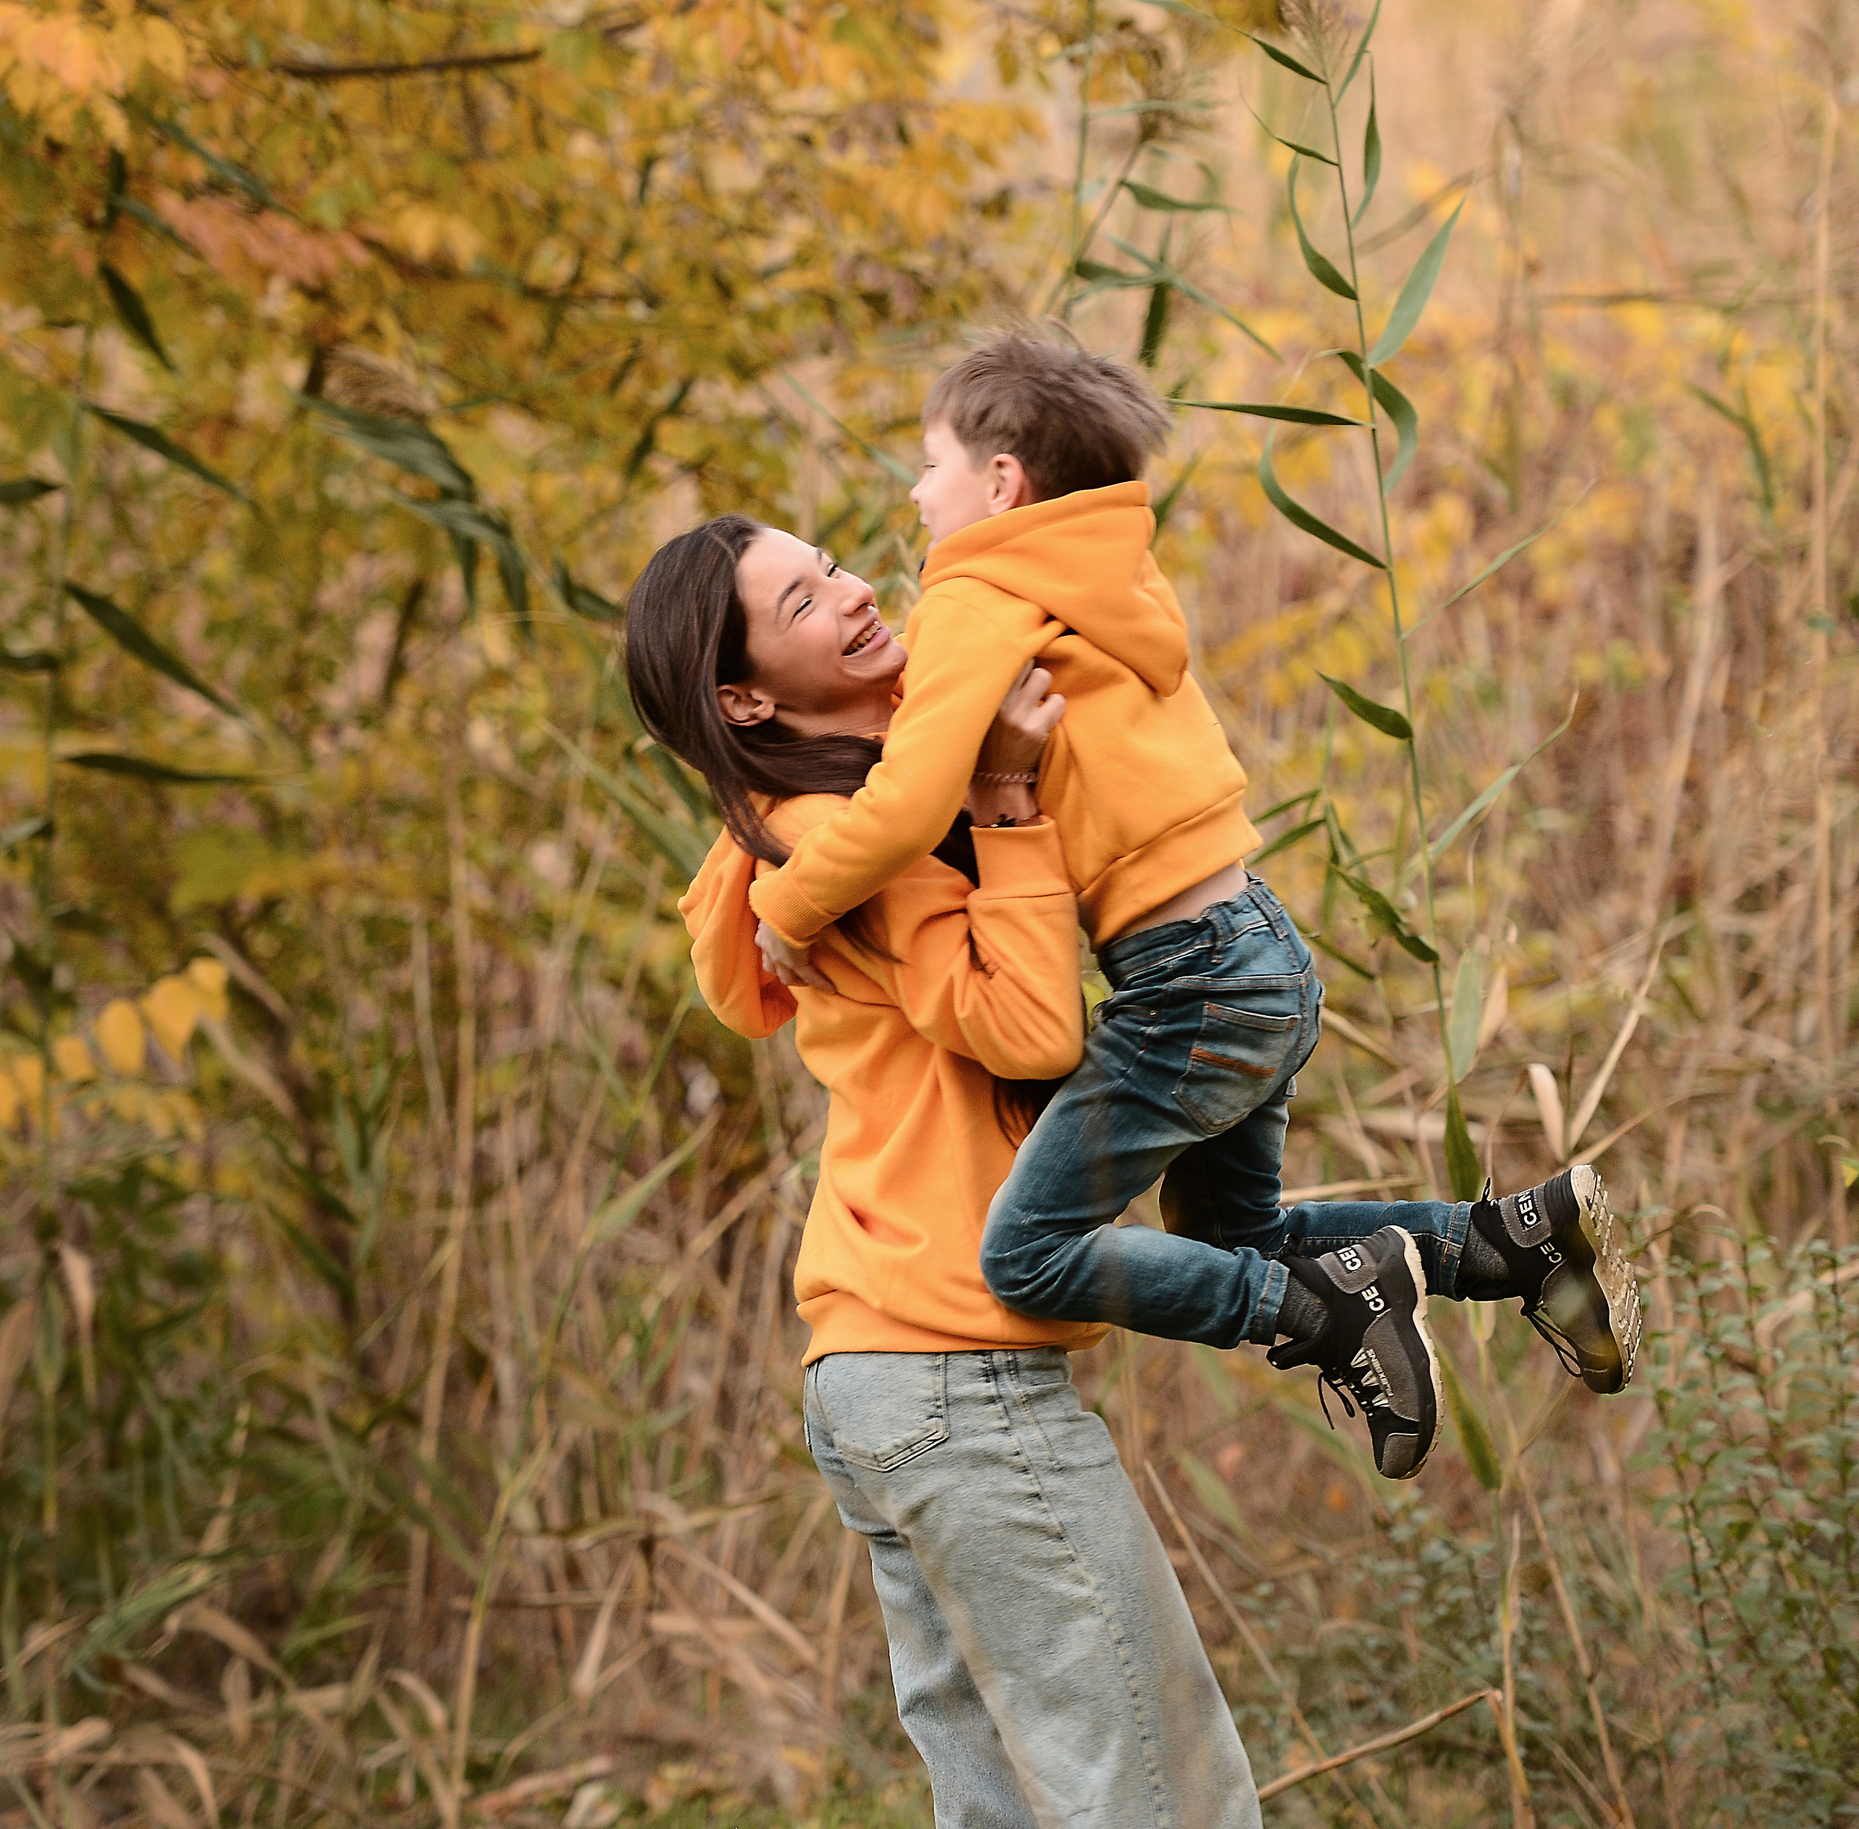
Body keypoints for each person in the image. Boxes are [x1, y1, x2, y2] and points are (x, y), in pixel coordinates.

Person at [743, 332, 1640, 1474]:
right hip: (1258, 944)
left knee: (1026, 1252)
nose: (918, 495)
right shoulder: (1103, 577)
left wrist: (793, 899)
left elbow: (914, 794)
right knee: (1233, 1238)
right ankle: (1517, 1244)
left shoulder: (977, 591)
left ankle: (1337, 1309)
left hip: (1191, 977)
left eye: (930, 465)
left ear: (1001, 481)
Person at [630, 521, 1263, 1826]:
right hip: (953, 1374)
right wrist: (1009, 811)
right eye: (804, 600)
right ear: (746, 697)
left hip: (874, 1370)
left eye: (836, 565)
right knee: (1163, 1797)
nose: (856, 592)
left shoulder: (800, 830)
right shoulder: (859, 835)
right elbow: (1028, 1030)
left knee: (1007, 1806)